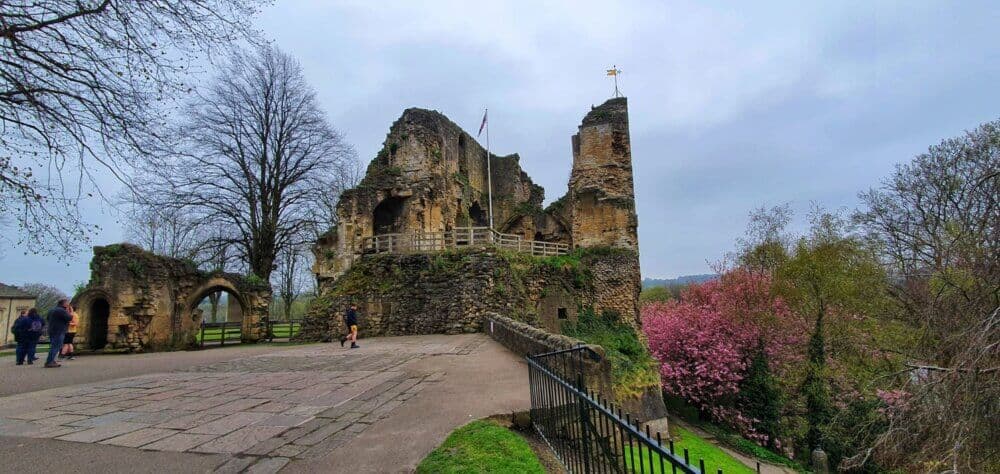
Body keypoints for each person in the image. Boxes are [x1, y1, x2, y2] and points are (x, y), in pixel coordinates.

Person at [44, 299, 73, 368]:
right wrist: (71, 312)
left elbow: (48, 318)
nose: (68, 304)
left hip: (52, 330)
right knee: (56, 346)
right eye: (67, 303)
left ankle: (51, 360)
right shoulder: (61, 310)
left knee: (53, 346)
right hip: (59, 331)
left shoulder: (52, 310)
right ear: (64, 304)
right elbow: (69, 318)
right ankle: (49, 362)